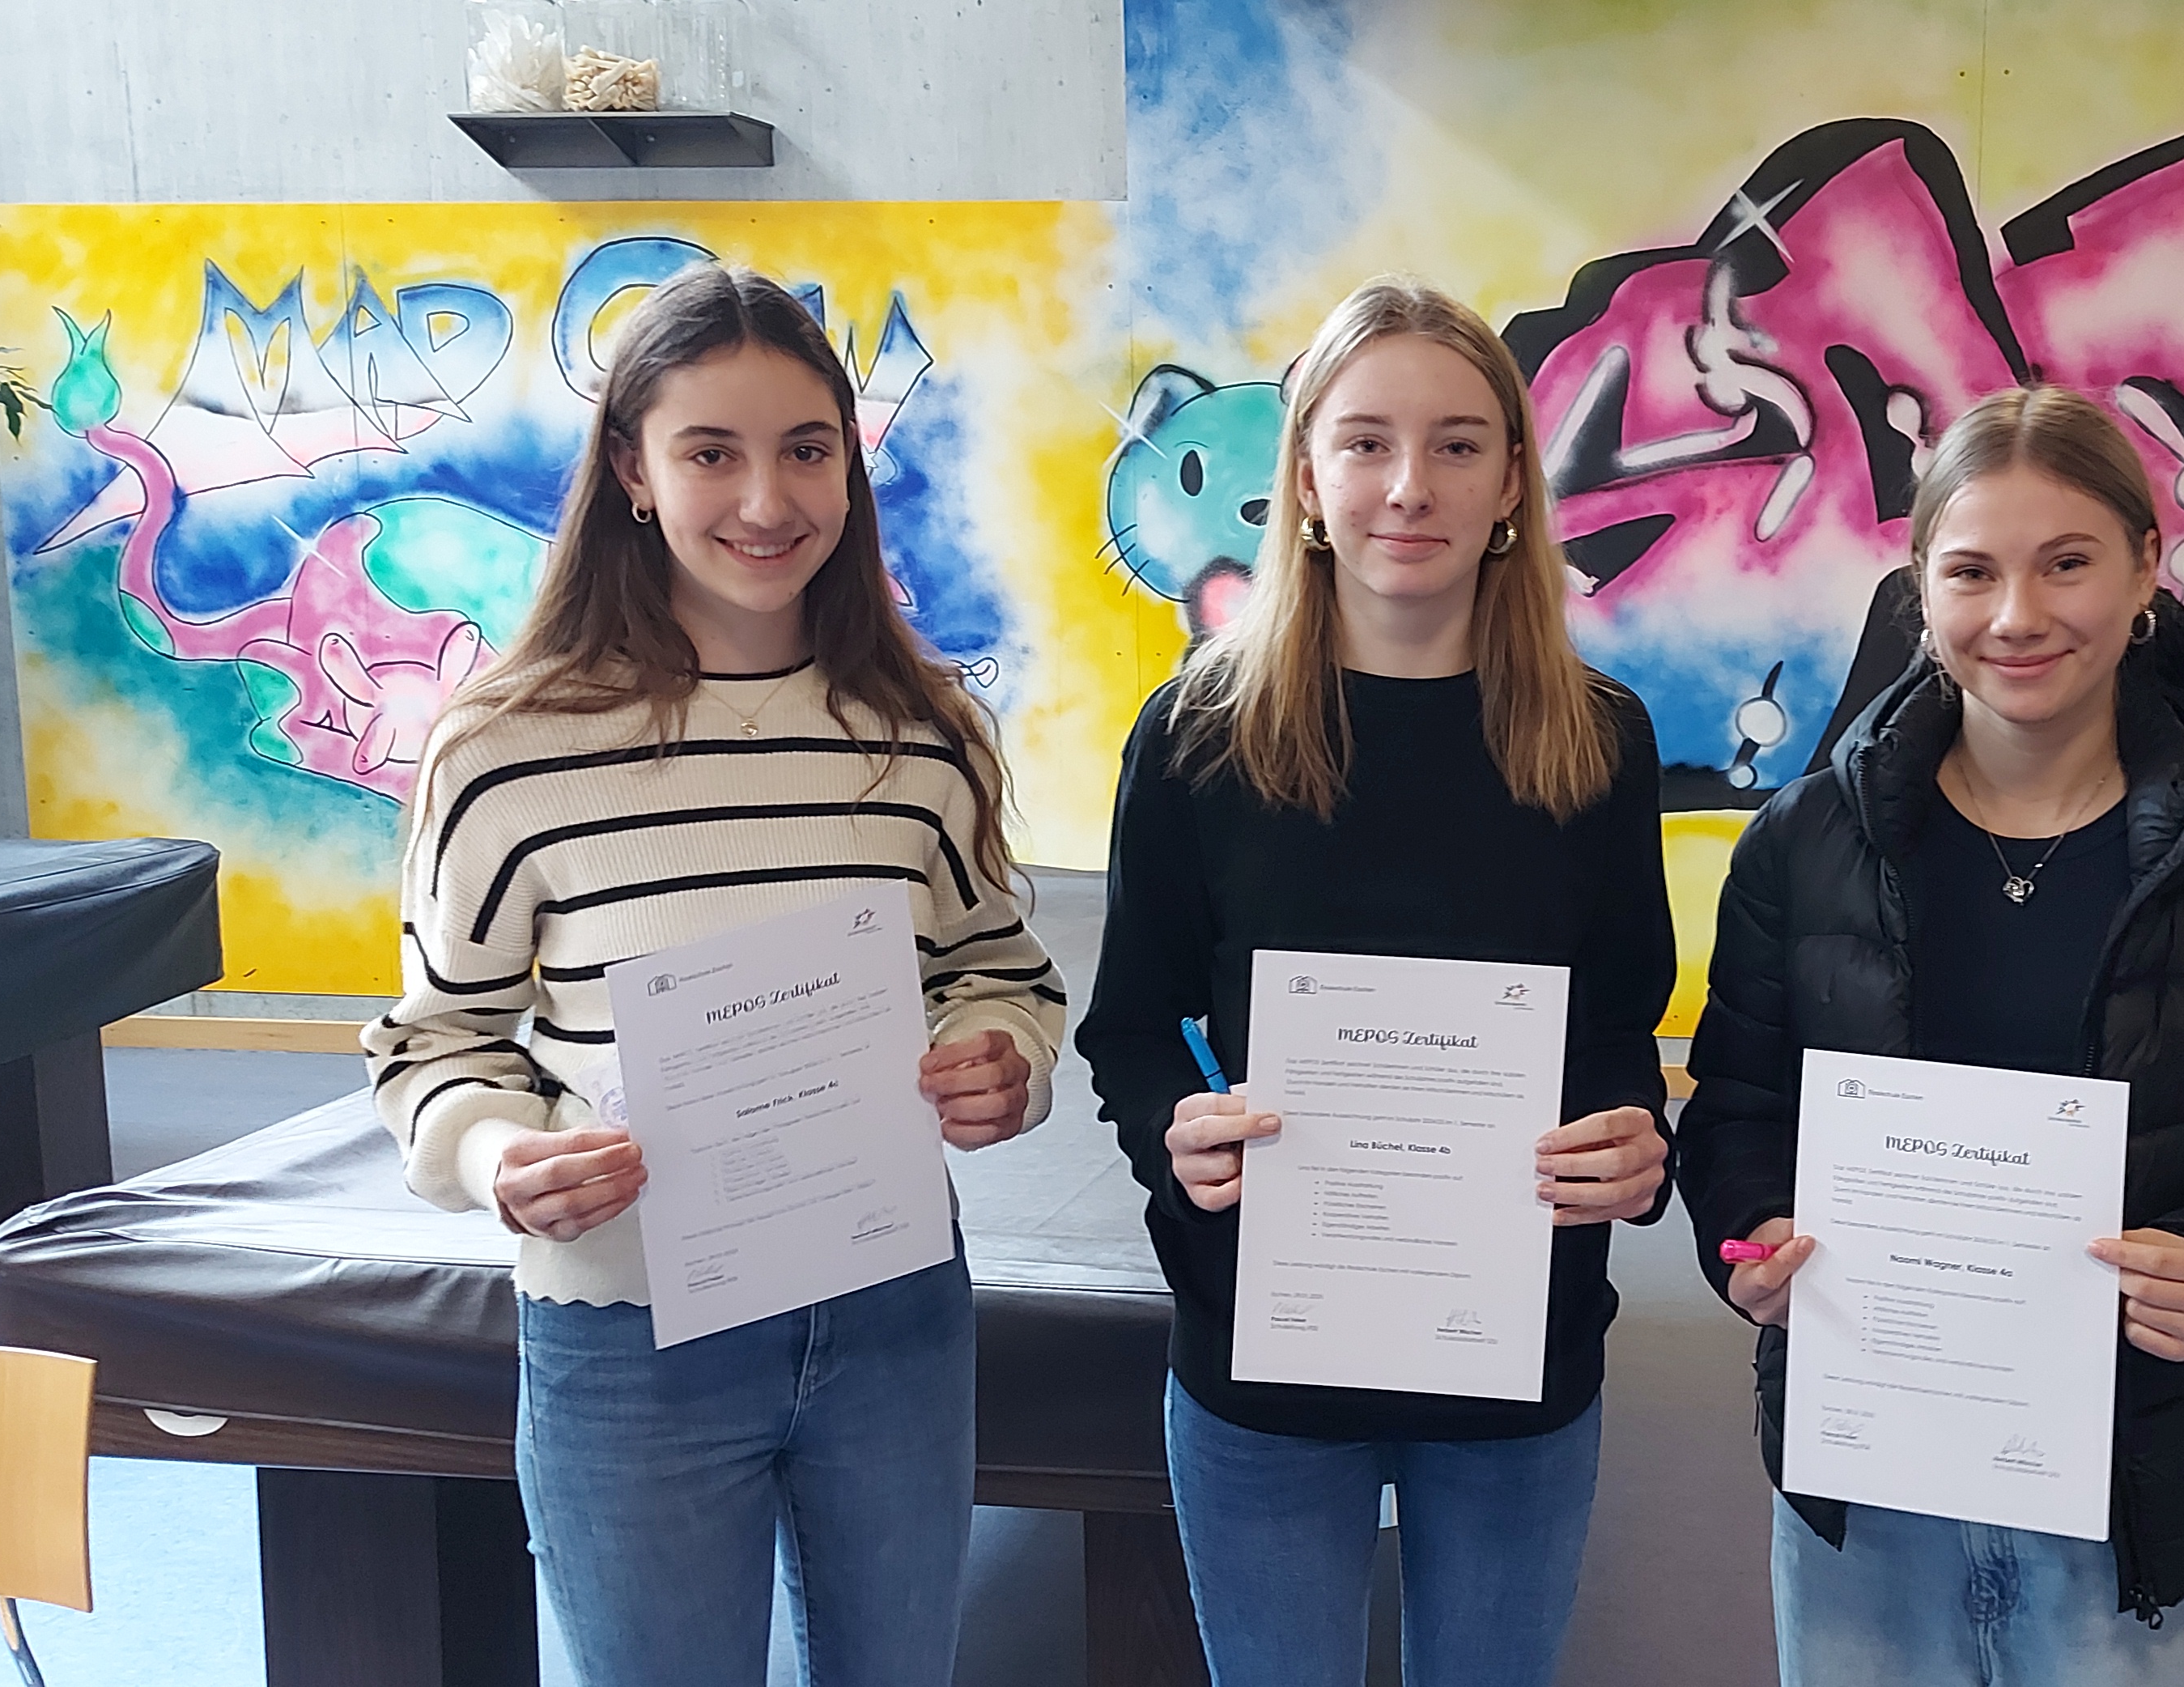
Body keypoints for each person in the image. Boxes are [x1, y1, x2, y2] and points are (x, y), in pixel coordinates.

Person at [364, 265, 1061, 1687]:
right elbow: (435, 1039)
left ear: (850, 464)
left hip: (892, 1310)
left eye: (806, 449)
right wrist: (498, 1158)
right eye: (709, 453)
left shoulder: (925, 733)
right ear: (632, 468)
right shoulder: (505, 747)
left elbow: (996, 969)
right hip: (630, 1335)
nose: (766, 499)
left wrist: (1007, 1060)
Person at [1674, 384, 2184, 1685]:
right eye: (1972, 571)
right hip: (1871, 1502)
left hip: (2140, 1507)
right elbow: (1736, 1116)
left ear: (2146, 568)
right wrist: (1754, 1237)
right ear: (1920, 586)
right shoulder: (1804, 846)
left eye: (2067, 563)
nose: (2017, 615)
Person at [1080, 277, 1674, 1687]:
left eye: (1458, 444)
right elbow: (1130, 1033)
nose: (1411, 486)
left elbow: (1618, 1031)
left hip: (1514, 1350)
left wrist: (1635, 1147)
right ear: (1304, 476)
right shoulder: (1198, 735)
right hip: (1266, 1351)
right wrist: (1176, 1134)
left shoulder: (1598, 739)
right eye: (1366, 442)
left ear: (1513, 481)